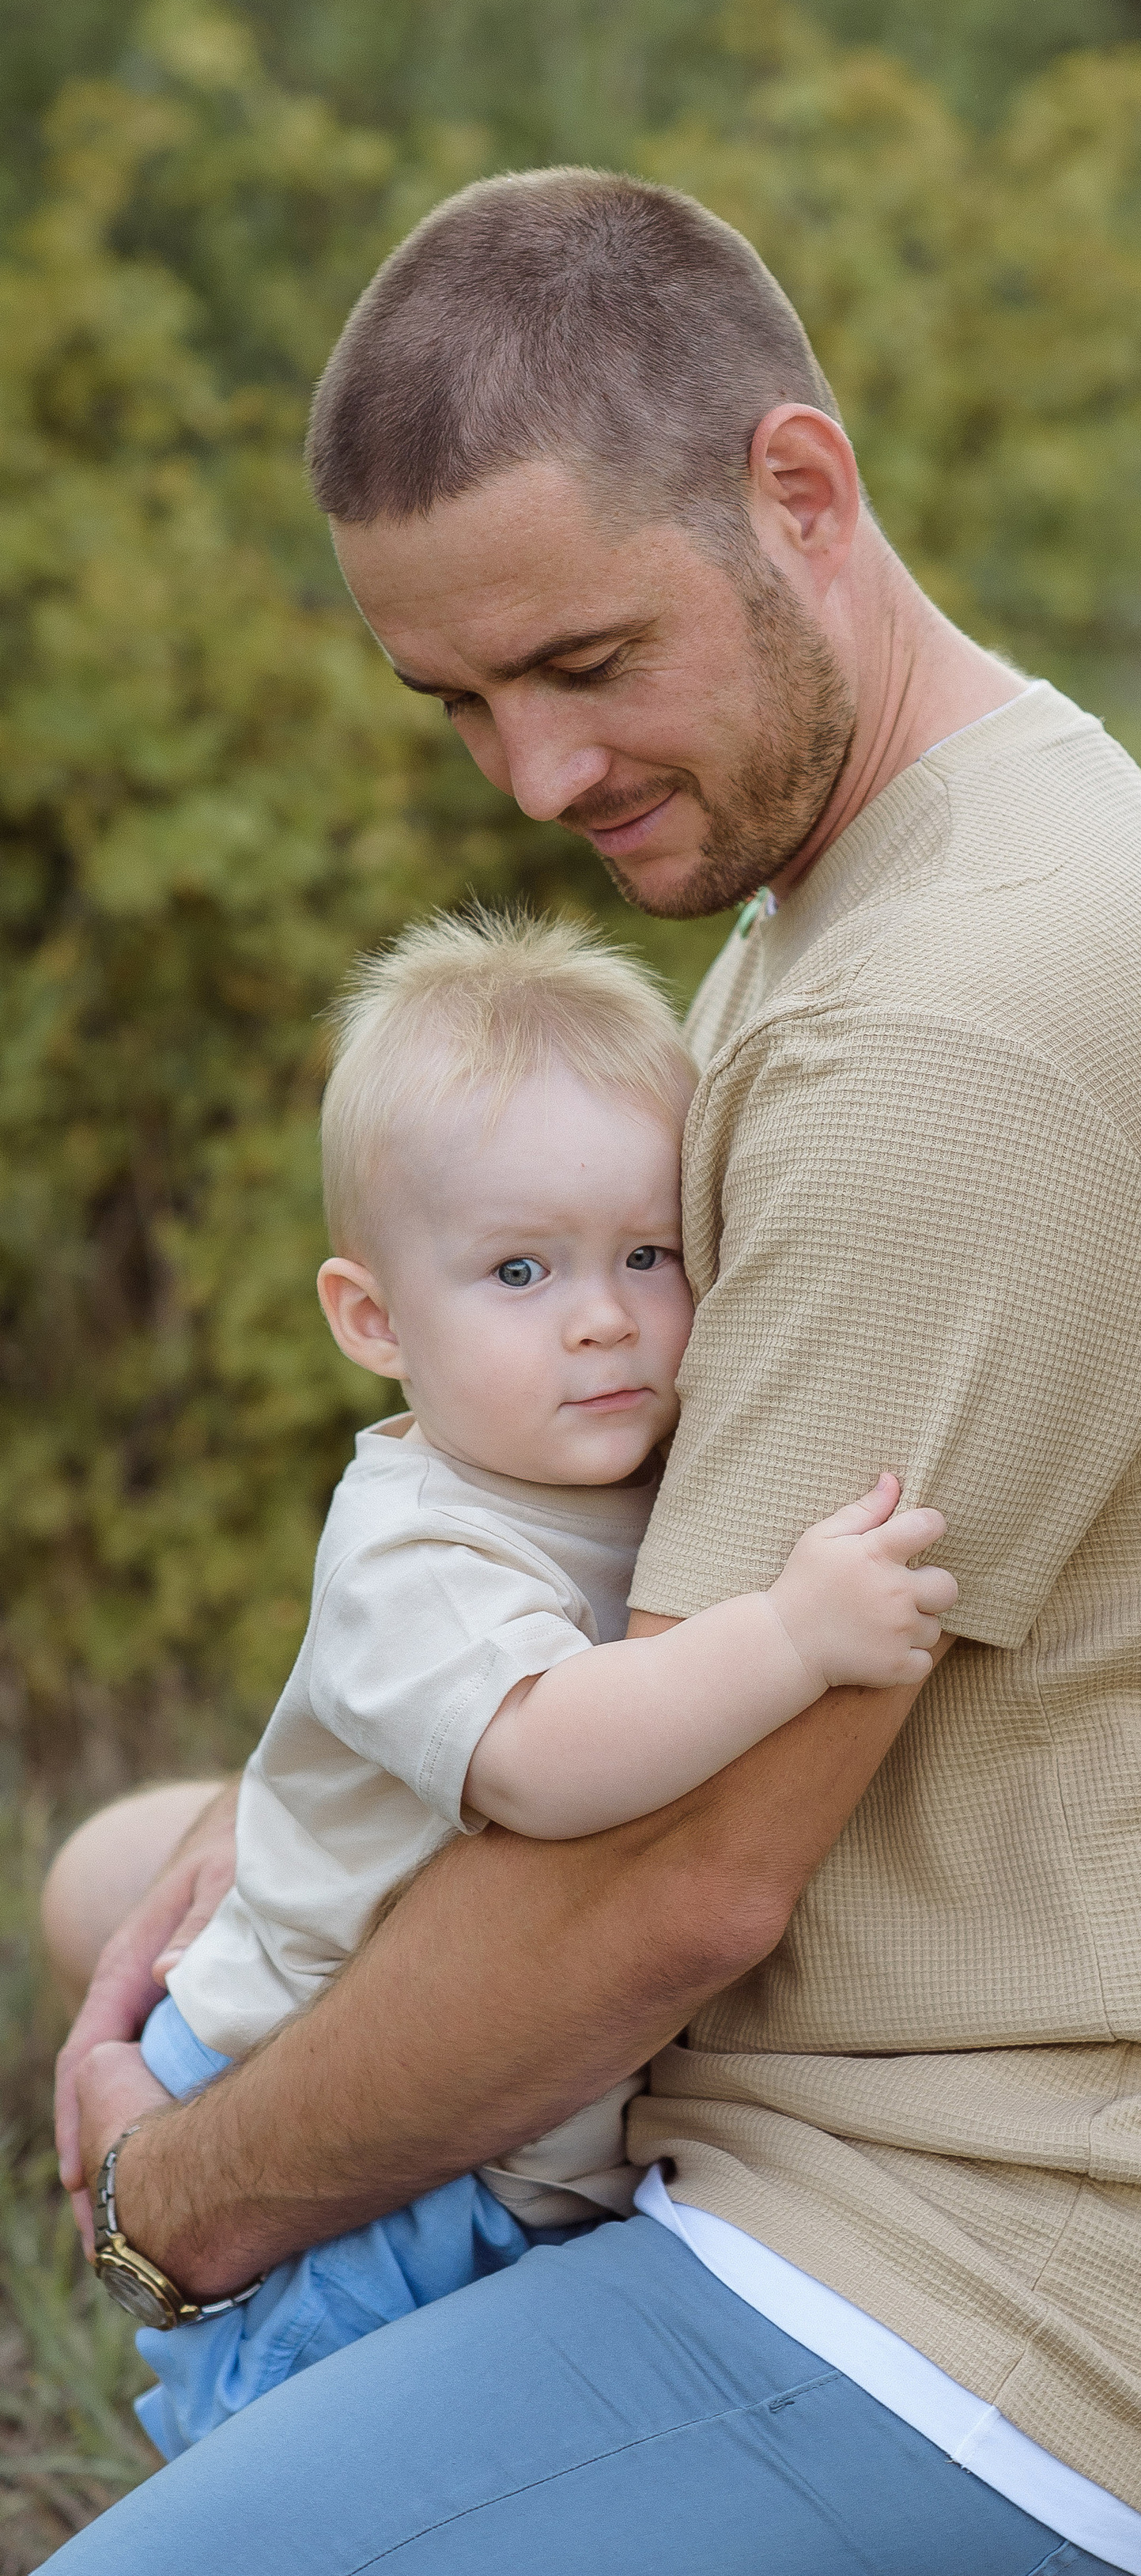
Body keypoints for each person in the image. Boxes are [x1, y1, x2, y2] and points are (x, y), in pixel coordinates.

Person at [0, 167, 1141, 2576]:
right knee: (142, 1869)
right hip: (1001, 2077)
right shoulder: (966, 811)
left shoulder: (932, 1029)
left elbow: (673, 1879)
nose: (540, 781)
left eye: (589, 663)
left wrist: (175, 2205)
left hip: (1029, 2267)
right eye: (458, 707)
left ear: (800, 491)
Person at [101, 906, 955, 2459]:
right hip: (322, 2118)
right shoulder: (411, 1551)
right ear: (372, 1320)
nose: (602, 1316)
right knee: (305, 2468)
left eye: (648, 1254)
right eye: (517, 1268)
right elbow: (551, 1761)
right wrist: (791, 1637)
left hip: (487, 2111)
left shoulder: (617, 1462)